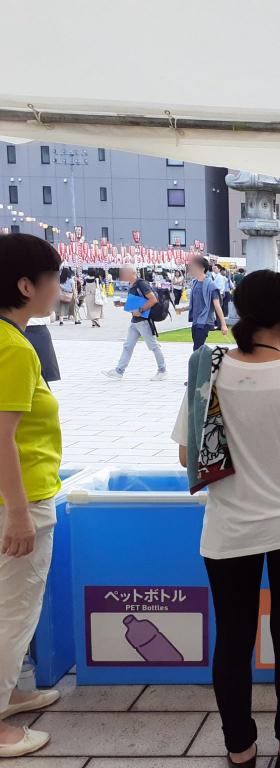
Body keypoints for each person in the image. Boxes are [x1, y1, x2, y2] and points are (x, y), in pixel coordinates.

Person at [172, 270, 280, 768]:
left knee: (234, 637)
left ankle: (239, 747)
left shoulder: (209, 369)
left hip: (227, 530)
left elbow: (187, 457)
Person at [0, 233, 64, 758]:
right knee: (14, 609)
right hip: (19, 501)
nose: (59, 289)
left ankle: (8, 696)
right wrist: (19, 514)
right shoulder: (15, 348)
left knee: (11, 605)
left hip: (14, 498)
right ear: (26, 285)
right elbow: (2, 437)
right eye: (53, 279)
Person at [103, 266, 168, 381]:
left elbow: (153, 300)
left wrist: (141, 310)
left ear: (131, 273)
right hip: (135, 321)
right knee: (128, 346)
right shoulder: (132, 285)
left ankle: (162, 370)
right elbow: (136, 301)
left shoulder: (141, 284)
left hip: (143, 320)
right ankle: (119, 371)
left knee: (153, 345)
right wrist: (122, 304)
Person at [178, 257, 229, 350]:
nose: (191, 269)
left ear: (202, 268)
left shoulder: (211, 285)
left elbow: (217, 306)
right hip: (196, 321)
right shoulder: (194, 283)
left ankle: (198, 363)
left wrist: (223, 324)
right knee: (199, 347)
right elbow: (193, 304)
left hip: (205, 321)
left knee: (197, 348)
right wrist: (182, 309)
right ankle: (206, 360)